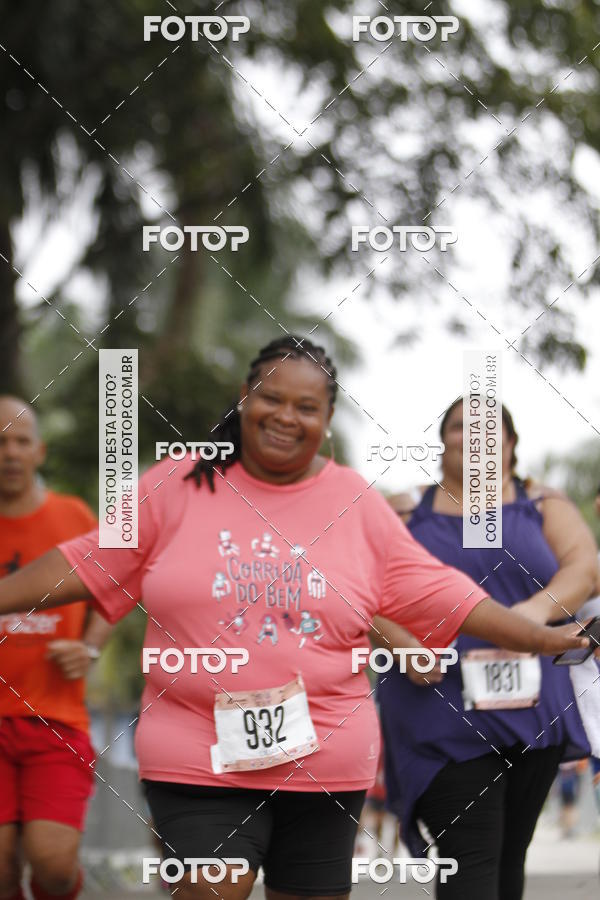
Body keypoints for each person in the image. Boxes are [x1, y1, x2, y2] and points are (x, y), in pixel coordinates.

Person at [0, 341, 590, 900]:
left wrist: (539, 636)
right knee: (212, 884)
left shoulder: (356, 503)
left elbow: (444, 593)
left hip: (326, 754)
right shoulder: (177, 482)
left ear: (326, 419)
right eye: (271, 398)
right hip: (196, 747)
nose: (286, 416)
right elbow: (87, 558)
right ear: (243, 398)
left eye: (306, 407)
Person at [374, 398, 598, 900]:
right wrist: (402, 642)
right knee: (471, 852)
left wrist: (531, 616)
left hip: (532, 706)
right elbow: (360, 584)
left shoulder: (543, 503)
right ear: (443, 440)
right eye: (460, 427)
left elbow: (583, 568)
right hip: (437, 705)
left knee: (508, 855)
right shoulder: (405, 509)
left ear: (511, 444)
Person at [0, 397, 112, 900]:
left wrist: (89, 648)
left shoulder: (73, 516)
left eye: (21, 440)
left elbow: (120, 586)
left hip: (55, 720)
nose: (10, 452)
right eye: (0, 441)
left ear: (39, 451)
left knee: (52, 863)